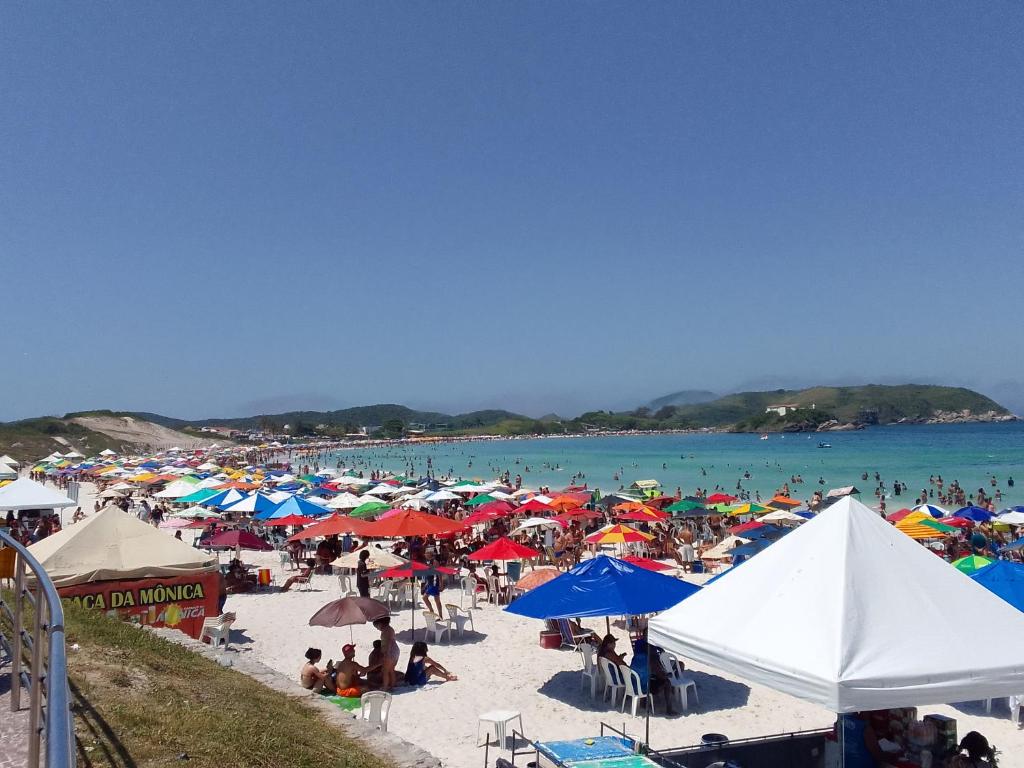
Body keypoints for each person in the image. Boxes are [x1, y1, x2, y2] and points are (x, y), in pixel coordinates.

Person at [373, 616, 400, 690]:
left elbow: (388, 642)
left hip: (390, 651)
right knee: (391, 669)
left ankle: (385, 687)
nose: (377, 628)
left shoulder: (386, 631)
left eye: (376, 626)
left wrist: (386, 654)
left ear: (380, 623)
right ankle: (393, 684)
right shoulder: (389, 629)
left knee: (385, 671)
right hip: (394, 650)